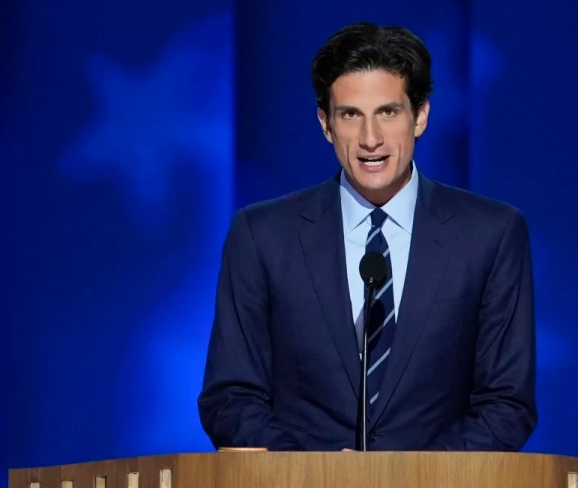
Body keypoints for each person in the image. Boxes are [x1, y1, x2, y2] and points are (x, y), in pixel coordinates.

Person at [198, 23, 536, 451]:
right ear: (325, 123)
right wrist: (317, 476)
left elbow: (506, 404)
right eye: (350, 115)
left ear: (420, 116)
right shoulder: (262, 236)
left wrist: (409, 479)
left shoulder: (491, 234)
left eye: (388, 112)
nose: (370, 139)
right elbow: (230, 398)